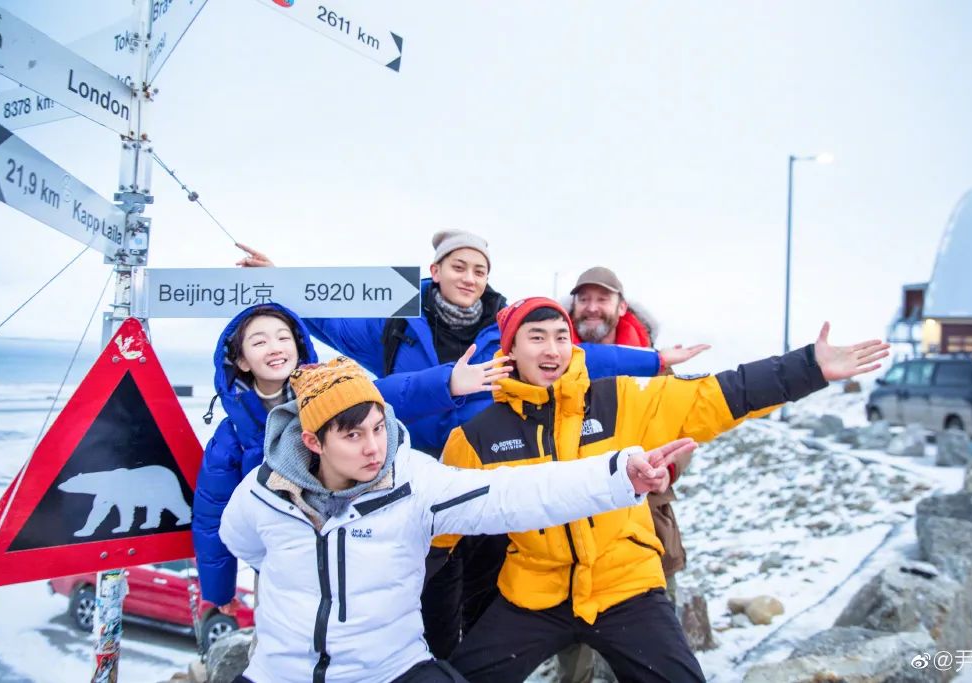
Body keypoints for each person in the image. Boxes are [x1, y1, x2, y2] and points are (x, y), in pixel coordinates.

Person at [235, 232, 701, 654]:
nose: (469, 278)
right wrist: (281, 282)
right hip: (411, 481)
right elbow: (331, 322)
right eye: (458, 266)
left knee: (485, 592)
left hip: (487, 481)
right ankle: (428, 662)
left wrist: (655, 359)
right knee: (427, 594)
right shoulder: (397, 323)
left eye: (479, 270)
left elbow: (582, 357)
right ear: (435, 270)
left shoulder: (502, 328)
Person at [438, 297, 889, 682]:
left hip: (626, 585)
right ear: (511, 349)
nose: (552, 349)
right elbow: (440, 537)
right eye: (536, 337)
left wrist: (809, 367)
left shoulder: (620, 399)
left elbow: (718, 394)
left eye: (561, 336)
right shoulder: (477, 438)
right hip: (533, 592)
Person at [218, 357, 696, 683]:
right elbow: (241, 542)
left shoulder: (413, 483)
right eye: (353, 436)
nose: (374, 448)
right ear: (313, 442)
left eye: (379, 428)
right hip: (279, 674)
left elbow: (514, 494)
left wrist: (618, 475)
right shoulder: (263, 494)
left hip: (393, 671)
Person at [192, 304, 498, 612]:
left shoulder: (336, 398)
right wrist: (219, 590)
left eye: (283, 338)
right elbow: (212, 514)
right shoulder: (233, 436)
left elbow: (396, 392)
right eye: (259, 342)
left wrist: (449, 382)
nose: (275, 348)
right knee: (280, 633)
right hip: (282, 569)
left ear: (299, 346)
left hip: (354, 554)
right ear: (241, 360)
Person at [560, 266, 710, 681]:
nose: (592, 307)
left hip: (646, 522)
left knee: (653, 651)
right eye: (584, 299)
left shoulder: (656, 364)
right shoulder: (553, 359)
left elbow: (684, 431)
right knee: (573, 656)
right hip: (569, 524)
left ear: (621, 306)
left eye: (602, 298)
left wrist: (668, 469)